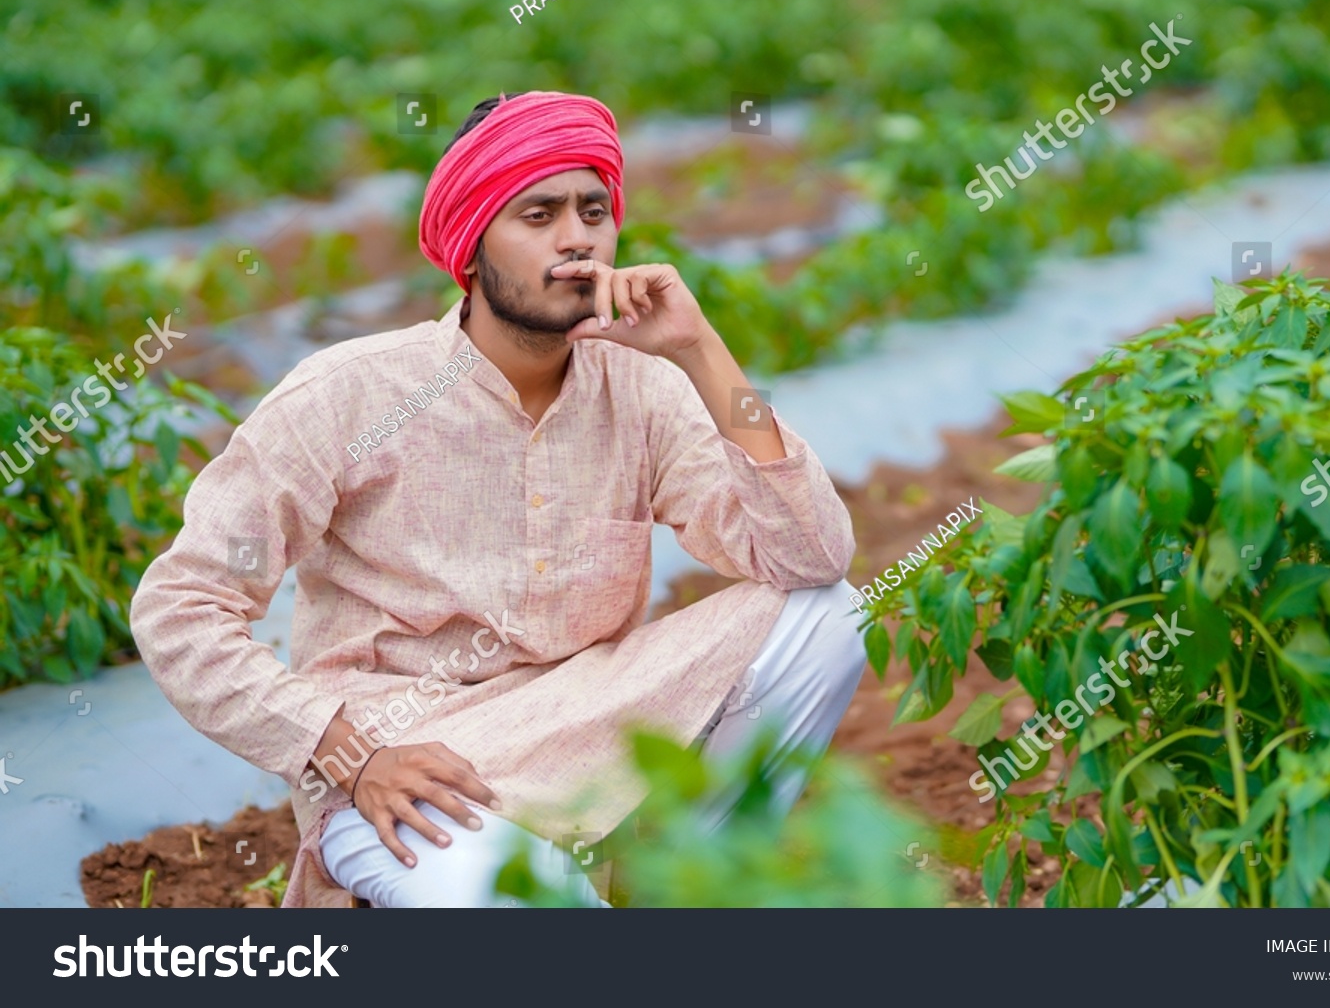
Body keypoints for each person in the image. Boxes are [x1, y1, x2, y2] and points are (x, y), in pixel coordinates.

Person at [129, 90, 866, 908]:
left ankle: (685, 892)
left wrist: (702, 351)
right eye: (538, 213)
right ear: (471, 249)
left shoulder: (646, 390)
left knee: (831, 613)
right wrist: (348, 750)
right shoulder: (348, 396)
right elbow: (182, 607)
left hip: (587, 724)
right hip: (414, 764)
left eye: (593, 210)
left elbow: (811, 555)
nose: (577, 236)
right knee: (525, 901)